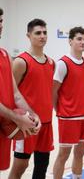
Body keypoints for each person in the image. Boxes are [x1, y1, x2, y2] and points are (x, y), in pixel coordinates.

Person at [8, 19, 54, 179]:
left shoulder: (51, 62)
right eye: (38, 33)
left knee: (42, 167)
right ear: (28, 35)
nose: (42, 36)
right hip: (27, 124)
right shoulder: (21, 62)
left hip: (46, 123)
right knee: (20, 167)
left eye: (45, 32)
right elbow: (10, 92)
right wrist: (18, 117)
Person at [0, 7, 41, 173]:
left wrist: (32, 114)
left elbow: (15, 94)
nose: (0, 25)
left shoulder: (4, 55)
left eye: (1, 21)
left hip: (3, 126)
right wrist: (16, 118)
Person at [53, 27, 84, 179]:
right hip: (68, 118)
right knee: (64, 154)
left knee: (80, 153)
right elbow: (53, 91)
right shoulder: (62, 63)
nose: (82, 42)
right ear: (70, 41)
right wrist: (61, 111)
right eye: (79, 39)